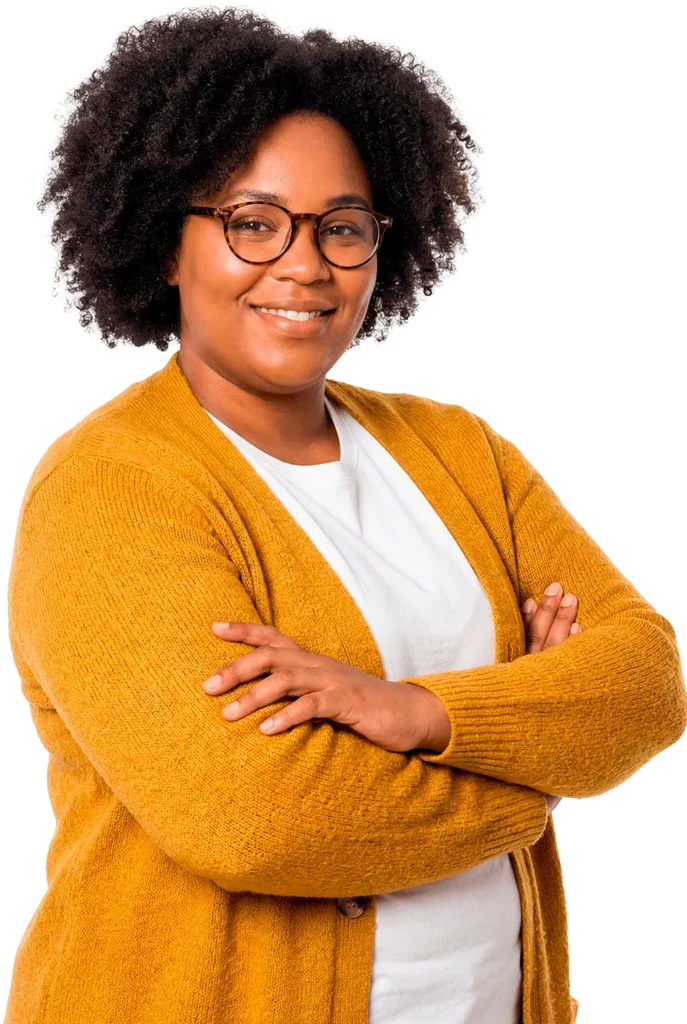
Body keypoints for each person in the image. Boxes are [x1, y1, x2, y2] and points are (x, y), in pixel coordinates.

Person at [9, 8, 686, 1024]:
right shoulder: (113, 488)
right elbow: (255, 815)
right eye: (253, 221)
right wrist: (537, 777)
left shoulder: (464, 454)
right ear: (162, 243)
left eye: (344, 224)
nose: (306, 264)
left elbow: (645, 681)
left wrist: (412, 711)